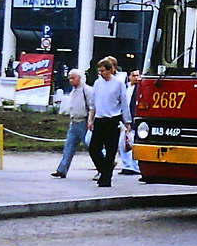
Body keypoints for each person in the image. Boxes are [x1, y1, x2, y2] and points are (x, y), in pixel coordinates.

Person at [88, 56, 131, 187]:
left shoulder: (118, 84)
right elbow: (93, 103)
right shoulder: (97, 83)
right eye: (99, 71)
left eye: (103, 71)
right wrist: (91, 119)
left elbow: (124, 103)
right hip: (100, 119)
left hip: (113, 119)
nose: (100, 73)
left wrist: (127, 121)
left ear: (110, 70)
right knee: (93, 149)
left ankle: (106, 178)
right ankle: (105, 169)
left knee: (110, 150)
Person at [51, 69, 94, 178]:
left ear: (79, 78)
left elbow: (92, 107)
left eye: (73, 78)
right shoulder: (73, 91)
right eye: (69, 78)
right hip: (74, 122)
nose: (70, 80)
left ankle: (104, 164)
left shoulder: (87, 90)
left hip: (84, 121)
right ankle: (62, 169)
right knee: (69, 147)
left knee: (91, 146)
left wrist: (90, 121)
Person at [116, 68, 141, 175]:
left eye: (138, 76)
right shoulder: (125, 87)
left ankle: (134, 167)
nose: (136, 78)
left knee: (132, 143)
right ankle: (127, 165)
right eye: (134, 76)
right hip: (123, 119)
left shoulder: (140, 88)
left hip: (134, 120)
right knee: (123, 143)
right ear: (129, 77)